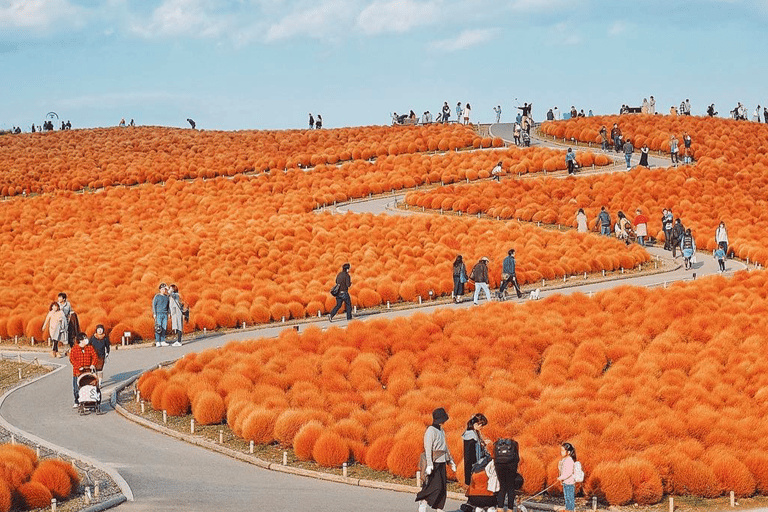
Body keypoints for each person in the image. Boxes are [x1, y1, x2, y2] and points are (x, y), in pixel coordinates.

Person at [415, 408, 456, 512]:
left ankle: (439, 508)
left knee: (442, 487)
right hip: (434, 462)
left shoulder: (441, 430)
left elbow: (445, 447)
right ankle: (423, 500)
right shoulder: (430, 431)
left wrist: (450, 461)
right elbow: (428, 448)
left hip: (442, 462)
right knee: (434, 486)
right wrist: (429, 464)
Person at [69, 333, 98, 408]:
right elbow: (72, 359)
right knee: (76, 388)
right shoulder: (74, 349)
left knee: (87, 387)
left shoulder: (90, 348)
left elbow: (95, 356)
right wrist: (79, 367)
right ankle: (77, 400)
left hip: (88, 371)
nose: (86, 340)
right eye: (84, 338)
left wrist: (93, 364)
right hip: (77, 372)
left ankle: (88, 401)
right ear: (80, 340)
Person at [462, 413, 490, 485]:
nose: (482, 427)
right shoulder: (470, 436)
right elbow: (469, 458)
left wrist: (483, 443)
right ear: (476, 424)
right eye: (481, 425)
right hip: (474, 467)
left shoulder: (474, 433)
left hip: (476, 466)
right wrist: (469, 477)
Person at [558, 443, 578, 512]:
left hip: (570, 483)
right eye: (561, 450)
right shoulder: (564, 460)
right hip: (565, 483)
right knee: (567, 498)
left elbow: (568, 473)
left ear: (568, 452)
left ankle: (570, 510)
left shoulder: (569, 460)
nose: (561, 452)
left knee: (570, 498)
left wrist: (561, 478)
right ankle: (568, 509)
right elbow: (562, 470)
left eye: (563, 451)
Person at [152, 283, 170, 347]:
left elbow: (168, 306)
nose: (163, 290)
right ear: (160, 289)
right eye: (162, 289)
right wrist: (154, 313)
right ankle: (158, 341)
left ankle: (163, 341)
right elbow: (154, 305)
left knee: (164, 327)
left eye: (164, 289)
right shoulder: (157, 296)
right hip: (158, 314)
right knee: (158, 328)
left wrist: (169, 313)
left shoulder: (167, 297)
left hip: (165, 314)